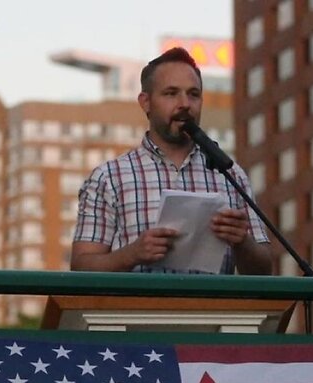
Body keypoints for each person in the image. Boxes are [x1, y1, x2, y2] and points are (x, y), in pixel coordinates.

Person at [70, 47, 273, 276]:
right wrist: (132, 254)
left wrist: (242, 242)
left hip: (212, 310)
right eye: (171, 93)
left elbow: (264, 270)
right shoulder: (109, 177)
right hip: (137, 310)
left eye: (193, 94)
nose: (184, 104)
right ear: (145, 102)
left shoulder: (230, 174)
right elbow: (81, 266)